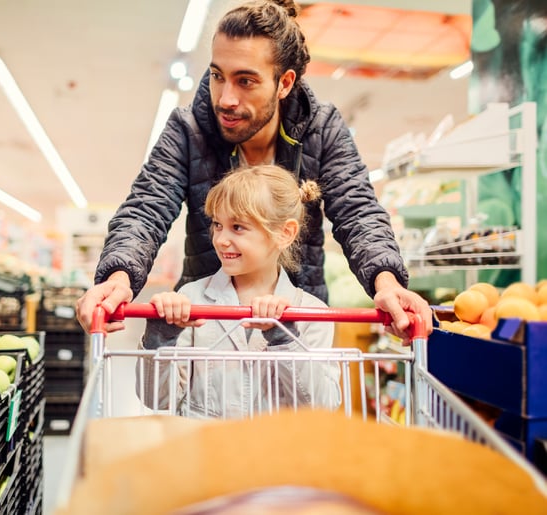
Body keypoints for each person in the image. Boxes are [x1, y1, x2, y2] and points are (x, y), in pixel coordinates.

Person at [76, 0, 432, 339]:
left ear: (285, 83)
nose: (226, 99)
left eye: (245, 81)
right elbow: (146, 208)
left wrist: (387, 282)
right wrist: (118, 277)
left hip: (296, 327)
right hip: (206, 324)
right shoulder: (188, 129)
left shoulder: (322, 129)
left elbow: (357, 210)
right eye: (218, 76)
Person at [136, 164, 341, 417]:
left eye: (238, 227)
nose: (220, 240)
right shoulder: (192, 299)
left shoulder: (311, 312)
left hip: (277, 454)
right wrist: (160, 341)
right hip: (204, 452)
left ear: (285, 233)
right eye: (218, 225)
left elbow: (322, 405)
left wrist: (285, 340)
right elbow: (158, 399)